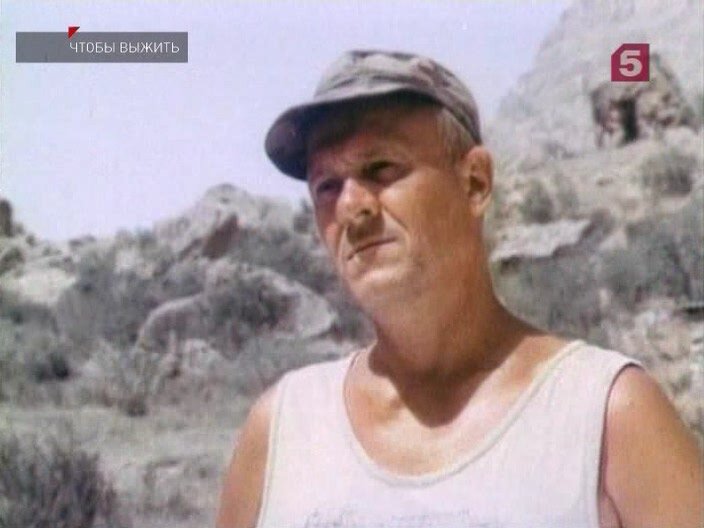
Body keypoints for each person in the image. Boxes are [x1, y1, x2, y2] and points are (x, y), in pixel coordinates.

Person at [216, 50, 702, 528]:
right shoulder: (282, 430)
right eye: (327, 186)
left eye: (381, 169)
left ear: (474, 183)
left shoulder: (604, 415)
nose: (351, 208)